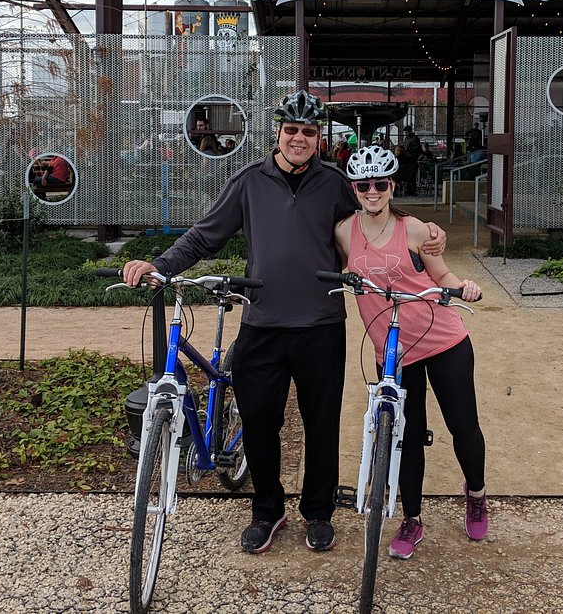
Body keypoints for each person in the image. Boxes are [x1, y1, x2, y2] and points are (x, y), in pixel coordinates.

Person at [121, 91, 447, 556]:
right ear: (278, 132)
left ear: (318, 138)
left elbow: (374, 220)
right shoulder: (249, 181)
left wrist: (424, 234)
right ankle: (268, 510)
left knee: (321, 425)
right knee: (259, 424)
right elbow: (205, 234)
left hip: (321, 325)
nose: (299, 138)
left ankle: (317, 512)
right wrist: (160, 265)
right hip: (263, 323)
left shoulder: (335, 183)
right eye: (291, 130)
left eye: (308, 132)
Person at [331, 145, 487, 560]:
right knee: (407, 436)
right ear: (354, 188)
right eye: (364, 185)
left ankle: (476, 492)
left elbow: (443, 273)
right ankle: (412, 519)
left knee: (463, 424)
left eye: (380, 183)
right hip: (393, 351)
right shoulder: (344, 232)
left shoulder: (415, 229)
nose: (372, 192)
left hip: (442, 340)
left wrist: (463, 285)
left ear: (391, 185)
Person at [401, 126, 423, 196]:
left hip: (412, 159)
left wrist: (408, 149)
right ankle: (409, 191)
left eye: (407, 132)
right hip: (408, 159)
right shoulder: (407, 139)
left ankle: (412, 191)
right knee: (408, 177)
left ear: (410, 131)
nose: (406, 133)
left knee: (412, 177)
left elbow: (417, 148)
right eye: (405, 132)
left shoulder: (415, 139)